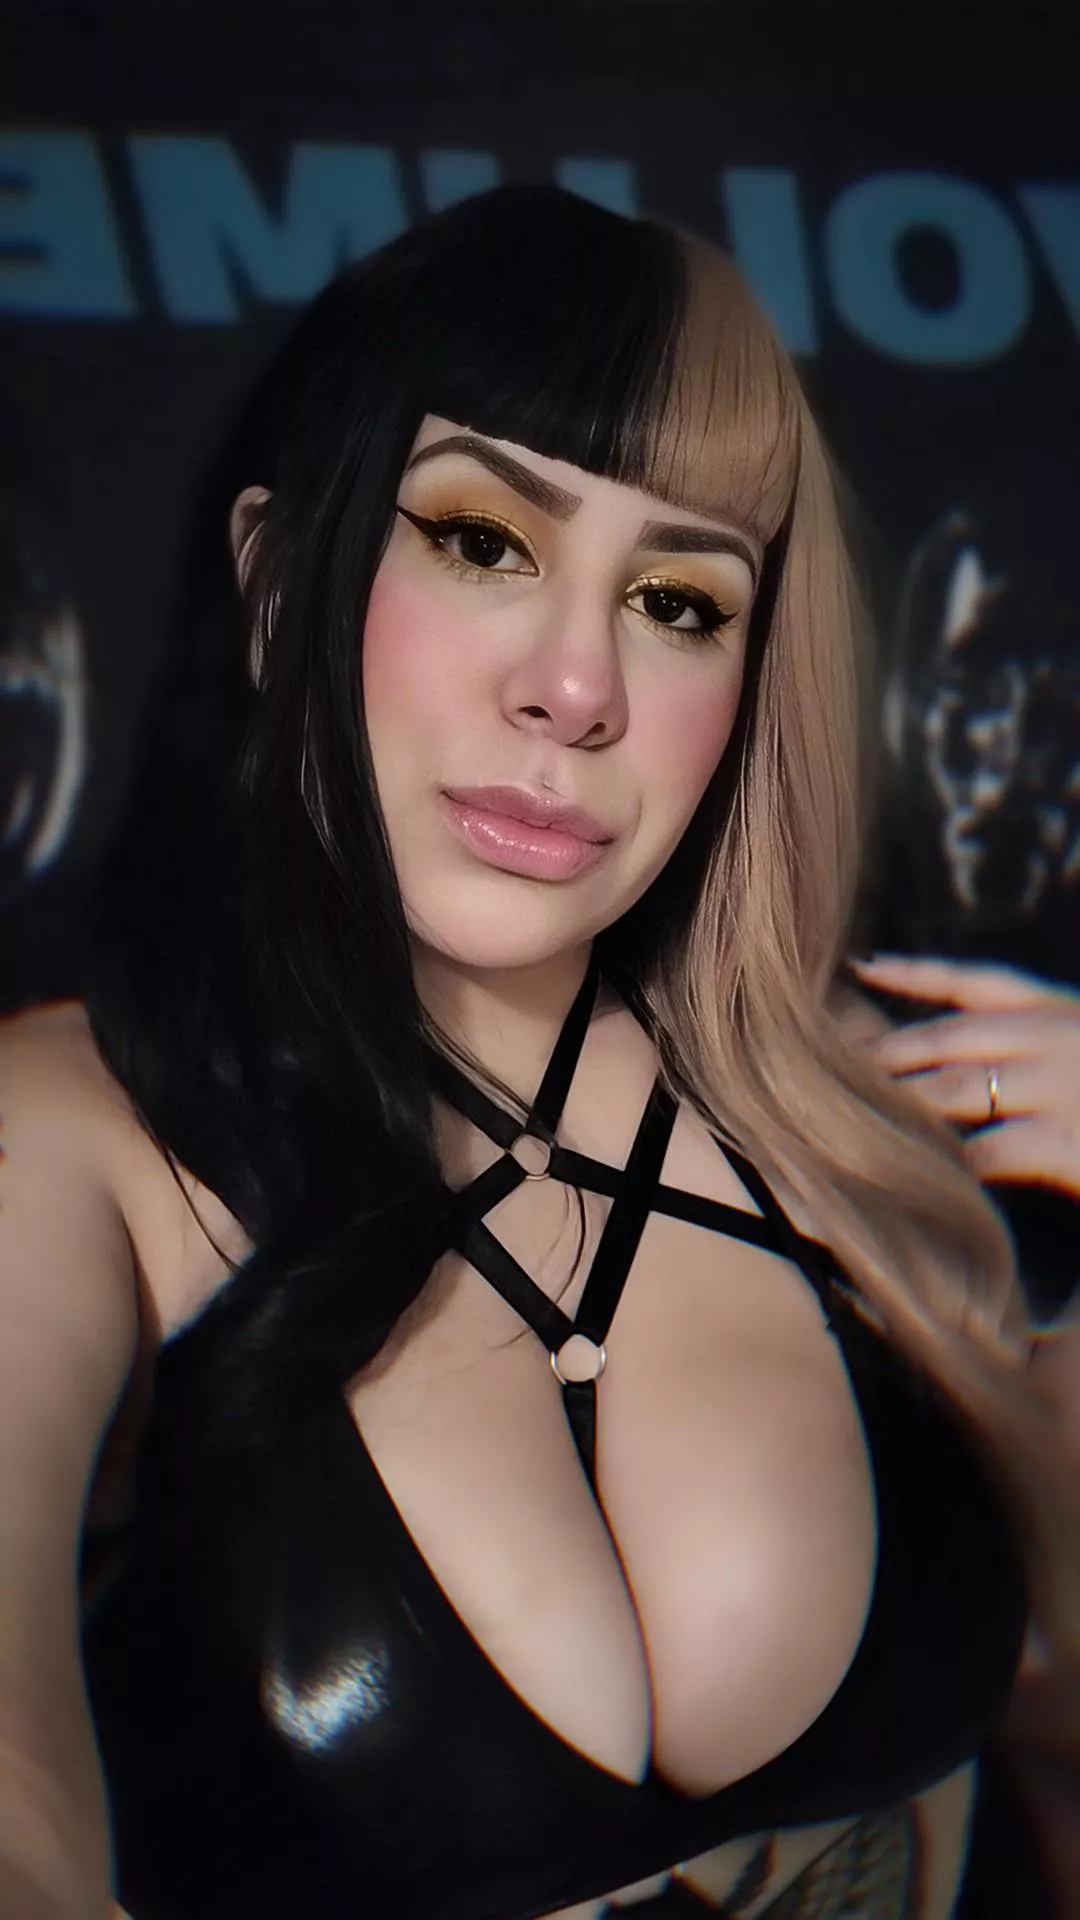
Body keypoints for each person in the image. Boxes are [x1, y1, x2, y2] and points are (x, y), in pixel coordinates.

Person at [1, 185, 1077, 1920]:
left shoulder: (875, 1120)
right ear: (280, 584)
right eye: (483, 541)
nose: (577, 689)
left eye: (677, 601)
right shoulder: (71, 1142)